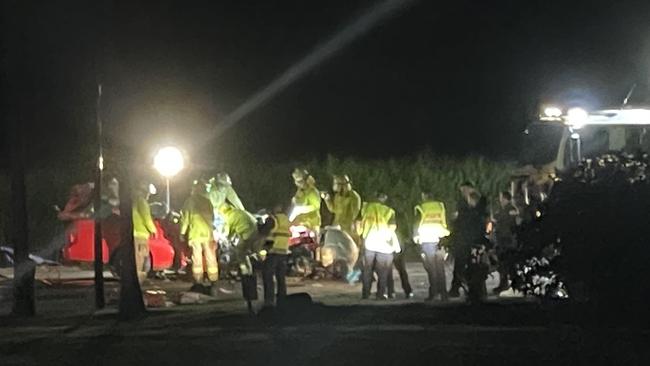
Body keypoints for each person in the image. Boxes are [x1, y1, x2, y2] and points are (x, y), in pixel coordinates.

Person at [358, 192, 401, 300]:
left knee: (367, 270)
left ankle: (365, 294)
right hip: (382, 243)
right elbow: (392, 227)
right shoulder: (388, 211)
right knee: (382, 271)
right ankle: (380, 294)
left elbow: (359, 224)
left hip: (369, 242)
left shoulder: (366, 208)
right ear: (384, 198)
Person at [180, 180, 218, 291]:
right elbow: (213, 218)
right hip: (208, 234)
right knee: (211, 258)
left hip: (195, 233)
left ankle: (198, 282)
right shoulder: (208, 202)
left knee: (197, 258)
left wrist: (182, 233)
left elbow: (185, 218)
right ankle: (213, 282)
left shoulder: (190, 201)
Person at [413, 191, 450, 301]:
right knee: (440, 268)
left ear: (424, 196)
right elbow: (444, 222)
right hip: (439, 239)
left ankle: (433, 293)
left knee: (431, 268)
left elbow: (416, 224)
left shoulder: (420, 208)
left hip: (427, 239)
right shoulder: (440, 206)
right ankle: (443, 293)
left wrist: (416, 238)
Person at [449, 189, 486, 297]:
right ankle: (477, 290)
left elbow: (459, 227)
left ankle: (456, 289)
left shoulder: (467, 213)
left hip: (464, 243)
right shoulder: (479, 212)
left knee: (460, 267)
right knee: (475, 267)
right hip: (474, 243)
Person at [262, 203, 291, 307]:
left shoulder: (272, 219)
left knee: (268, 276)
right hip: (283, 251)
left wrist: (264, 248)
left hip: (273, 251)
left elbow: (266, 233)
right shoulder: (286, 220)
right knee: (281, 278)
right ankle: (282, 300)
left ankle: (269, 301)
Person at [492, 191, 519, 294]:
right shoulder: (503, 210)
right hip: (502, 239)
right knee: (503, 263)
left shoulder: (511, 209)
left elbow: (503, 218)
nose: (500, 200)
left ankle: (513, 284)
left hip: (507, 239)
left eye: (502, 198)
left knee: (509, 262)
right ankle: (504, 284)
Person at [132, 182, 157, 284]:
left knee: (136, 256)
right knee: (140, 257)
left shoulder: (131, 200)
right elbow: (146, 218)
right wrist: (153, 230)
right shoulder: (141, 201)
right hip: (140, 233)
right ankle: (137, 281)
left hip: (133, 232)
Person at [322, 175, 361, 239]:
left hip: (348, 229)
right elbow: (333, 209)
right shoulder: (338, 195)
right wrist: (327, 200)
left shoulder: (354, 197)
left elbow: (353, 214)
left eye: (336, 184)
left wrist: (343, 224)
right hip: (336, 226)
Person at [289, 169, 321, 235]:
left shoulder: (312, 191)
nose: (299, 184)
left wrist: (302, 209)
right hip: (300, 223)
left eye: (300, 181)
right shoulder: (299, 192)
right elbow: (296, 205)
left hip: (312, 224)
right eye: (297, 181)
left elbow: (316, 206)